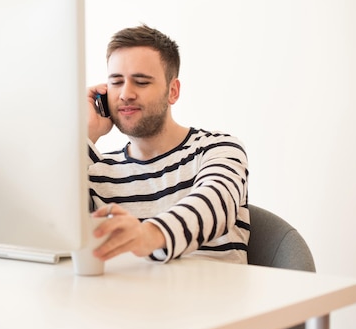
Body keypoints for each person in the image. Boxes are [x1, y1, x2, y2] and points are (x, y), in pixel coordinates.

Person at [88, 24, 250, 264]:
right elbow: (48, 222)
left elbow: (214, 205)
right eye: (116, 82)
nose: (125, 94)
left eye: (141, 82)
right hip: (127, 298)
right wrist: (85, 136)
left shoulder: (218, 149)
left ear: (172, 91)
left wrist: (148, 235)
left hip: (213, 297)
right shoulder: (97, 170)